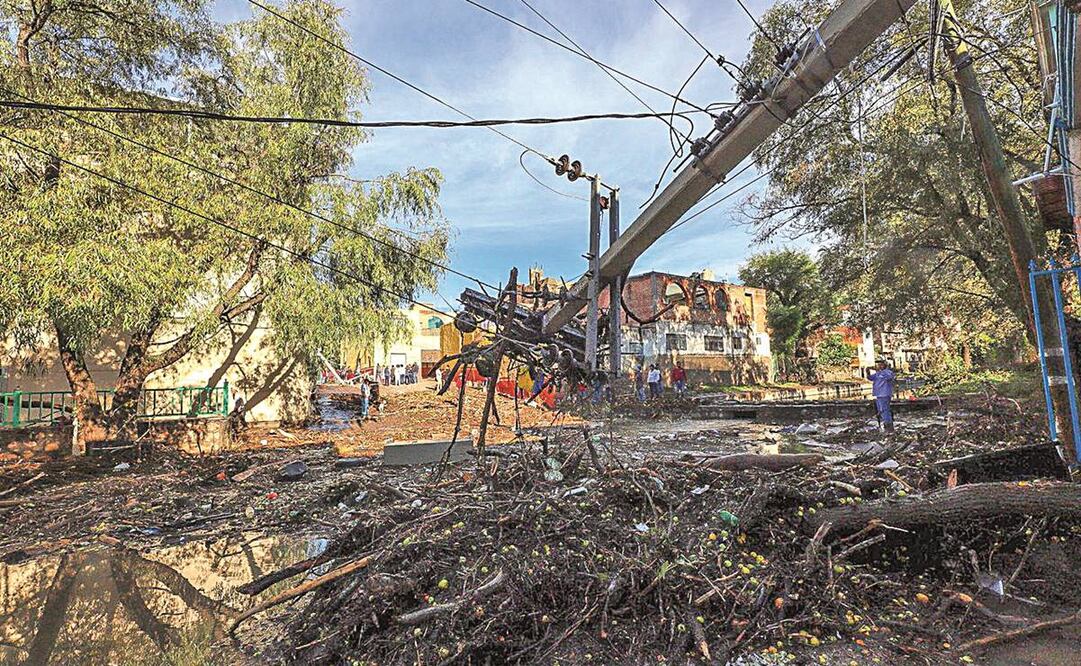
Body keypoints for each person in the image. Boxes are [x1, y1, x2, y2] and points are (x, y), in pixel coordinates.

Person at [869, 358, 897, 433]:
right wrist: (867, 370)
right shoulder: (877, 373)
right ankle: (885, 424)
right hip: (878, 394)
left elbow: (890, 377)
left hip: (885, 394)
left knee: (885, 410)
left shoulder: (888, 372)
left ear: (885, 364)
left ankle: (888, 425)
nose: (879, 365)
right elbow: (870, 378)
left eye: (881, 364)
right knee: (880, 410)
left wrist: (881, 371)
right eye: (878, 364)